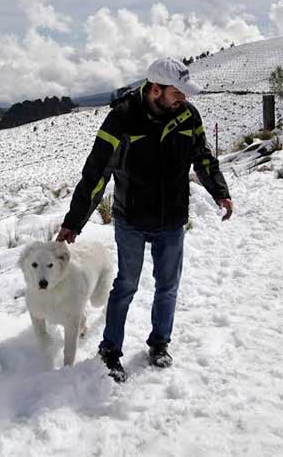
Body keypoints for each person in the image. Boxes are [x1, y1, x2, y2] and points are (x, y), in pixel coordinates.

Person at [56, 57, 233, 383]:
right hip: (132, 220)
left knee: (168, 287)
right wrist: (74, 222)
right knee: (126, 286)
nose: (185, 99)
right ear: (155, 89)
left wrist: (219, 191)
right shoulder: (122, 120)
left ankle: (159, 344)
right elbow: (97, 172)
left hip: (172, 220)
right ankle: (110, 350)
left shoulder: (187, 116)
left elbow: (203, 157)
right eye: (178, 92)